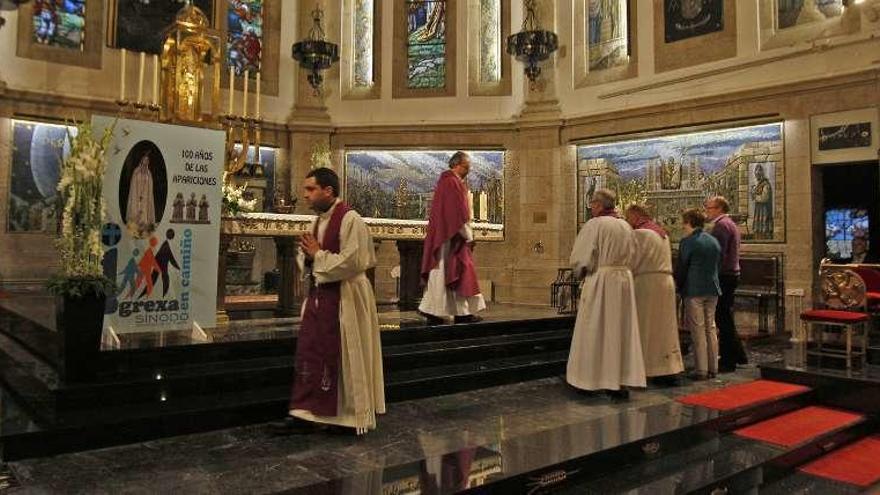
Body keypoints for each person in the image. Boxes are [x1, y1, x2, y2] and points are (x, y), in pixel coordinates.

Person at [273, 167, 385, 436]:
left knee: (345, 354)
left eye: (311, 189)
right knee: (310, 352)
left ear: (328, 191)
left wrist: (317, 255)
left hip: (346, 295)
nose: (306, 195)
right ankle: (304, 413)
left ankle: (345, 417)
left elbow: (354, 261)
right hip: (321, 296)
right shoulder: (316, 222)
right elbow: (309, 258)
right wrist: (311, 258)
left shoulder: (350, 220)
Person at [567, 189, 645, 399]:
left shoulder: (595, 225)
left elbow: (582, 258)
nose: (590, 207)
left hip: (601, 280)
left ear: (600, 205)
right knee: (620, 331)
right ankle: (619, 382)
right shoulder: (625, 226)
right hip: (623, 281)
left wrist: (580, 272)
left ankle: (588, 381)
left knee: (595, 329)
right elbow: (635, 256)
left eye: (592, 203)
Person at [419, 151, 485, 325]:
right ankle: (452, 312)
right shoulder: (452, 183)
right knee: (454, 273)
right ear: (456, 165)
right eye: (466, 166)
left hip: (447, 237)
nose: (469, 169)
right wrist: (469, 236)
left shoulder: (446, 182)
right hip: (450, 239)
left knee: (446, 276)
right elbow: (456, 215)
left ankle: (445, 311)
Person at [624, 204, 683, 385]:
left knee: (646, 327)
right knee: (665, 329)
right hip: (665, 282)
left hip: (647, 283)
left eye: (628, 217)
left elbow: (631, 259)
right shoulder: (661, 232)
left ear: (635, 216)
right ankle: (669, 368)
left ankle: (649, 368)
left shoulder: (640, 234)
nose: (627, 221)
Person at [676, 209, 722, 380]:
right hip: (712, 288)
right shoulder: (713, 241)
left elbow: (682, 267)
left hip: (694, 290)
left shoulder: (688, 242)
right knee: (710, 328)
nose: (682, 226)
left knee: (698, 329)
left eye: (684, 222)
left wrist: (678, 287)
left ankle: (701, 369)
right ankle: (713, 367)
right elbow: (719, 264)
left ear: (689, 222)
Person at [704, 196, 748, 372]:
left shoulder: (721, 225)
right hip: (731, 273)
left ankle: (728, 360)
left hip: (724, 274)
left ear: (719, 208)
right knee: (726, 316)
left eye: (710, 207)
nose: (707, 211)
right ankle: (738, 355)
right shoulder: (730, 223)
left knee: (722, 317)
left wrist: (710, 273)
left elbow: (718, 253)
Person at [126, 152, 155, 235]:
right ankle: (135, 225)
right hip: (137, 195)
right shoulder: (136, 172)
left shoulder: (149, 174)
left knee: (144, 212)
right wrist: (137, 194)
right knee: (136, 209)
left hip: (145, 196)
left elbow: (150, 187)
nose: (145, 162)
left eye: (147, 160)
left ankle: (143, 227)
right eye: (144, 160)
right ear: (141, 161)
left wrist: (145, 195)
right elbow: (133, 185)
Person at [751, 164, 773, 239]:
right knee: (758, 232)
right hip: (758, 210)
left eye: (758, 173)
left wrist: (755, 197)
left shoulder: (766, 184)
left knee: (764, 231)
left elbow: (765, 198)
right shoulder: (758, 184)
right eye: (755, 173)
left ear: (761, 174)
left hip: (764, 210)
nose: (756, 175)